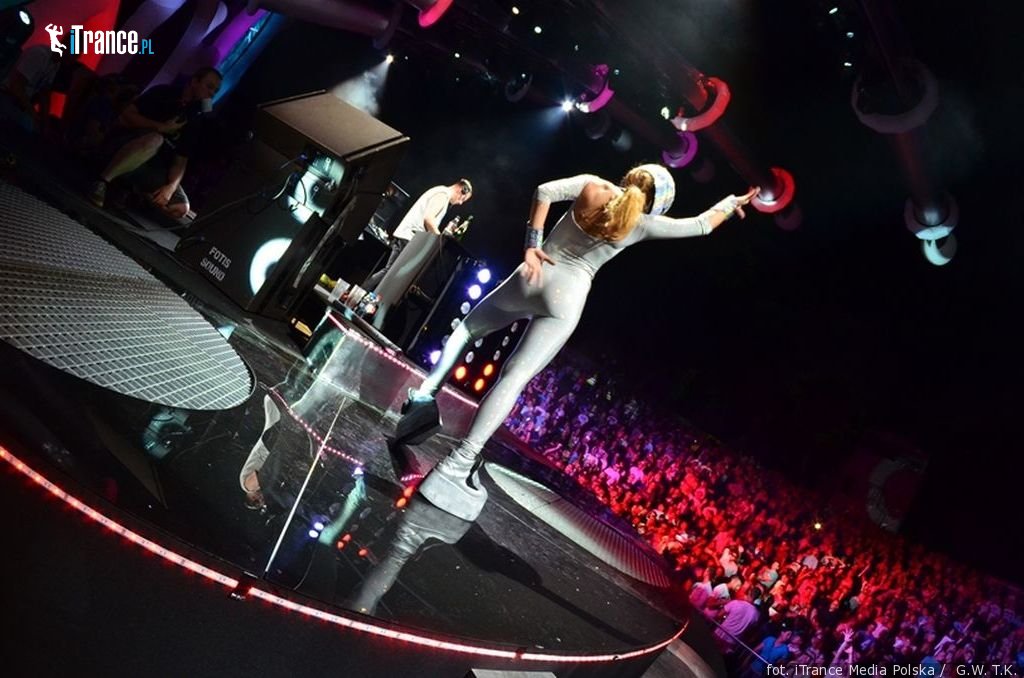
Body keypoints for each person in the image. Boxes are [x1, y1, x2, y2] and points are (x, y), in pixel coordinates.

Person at [397, 163, 758, 520]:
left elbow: (543, 191)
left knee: (466, 331)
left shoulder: (592, 184)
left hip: (534, 272)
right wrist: (731, 202)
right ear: (654, 204)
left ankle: (425, 394)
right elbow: (701, 225)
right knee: (515, 377)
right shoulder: (641, 223)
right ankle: (459, 463)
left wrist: (532, 245)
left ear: (633, 175)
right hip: (567, 298)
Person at [87, 66, 222, 218]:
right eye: (209, 87)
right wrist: (161, 127)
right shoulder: (163, 93)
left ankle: (131, 189)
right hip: (124, 146)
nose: (212, 93)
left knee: (180, 208)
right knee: (155, 140)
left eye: (215, 91)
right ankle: (102, 181)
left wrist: (170, 188)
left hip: (153, 165)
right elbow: (126, 115)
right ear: (194, 81)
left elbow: (180, 161)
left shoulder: (195, 117)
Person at [363, 179, 473, 291]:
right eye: (462, 199)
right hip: (409, 237)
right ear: (461, 190)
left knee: (390, 273)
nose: (460, 203)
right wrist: (439, 239)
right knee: (390, 274)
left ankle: (365, 292)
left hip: (408, 236)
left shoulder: (441, 192)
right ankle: (362, 291)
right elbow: (428, 219)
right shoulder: (443, 194)